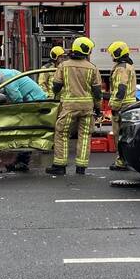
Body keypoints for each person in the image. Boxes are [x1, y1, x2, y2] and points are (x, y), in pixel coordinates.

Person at [46, 36, 102, 176]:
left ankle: (60, 165)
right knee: (84, 136)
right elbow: (97, 92)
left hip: (69, 107)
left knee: (62, 133)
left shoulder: (63, 66)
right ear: (86, 50)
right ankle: (81, 167)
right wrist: (98, 108)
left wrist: (56, 96)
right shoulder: (92, 68)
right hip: (87, 107)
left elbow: (56, 86)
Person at [0, 61, 47, 172]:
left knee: (25, 133)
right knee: (25, 133)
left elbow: (16, 98)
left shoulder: (3, 76)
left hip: (34, 103)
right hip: (33, 102)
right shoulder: (1, 75)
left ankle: (22, 162)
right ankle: (21, 162)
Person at [107, 41, 137, 172]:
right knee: (127, 135)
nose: (112, 56)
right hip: (129, 105)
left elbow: (121, 89)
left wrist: (114, 107)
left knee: (119, 136)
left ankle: (121, 162)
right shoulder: (129, 66)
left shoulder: (121, 68)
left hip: (122, 106)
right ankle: (128, 160)